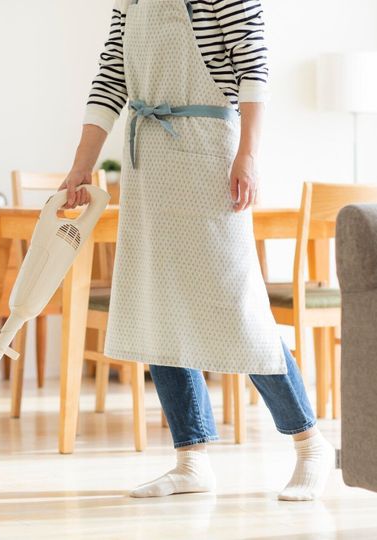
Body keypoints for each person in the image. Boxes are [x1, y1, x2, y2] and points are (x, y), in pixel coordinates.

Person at [59, 0, 334, 501]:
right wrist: (82, 165)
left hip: (211, 155)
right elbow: (111, 77)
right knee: (159, 304)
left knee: (238, 309)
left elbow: (253, 67)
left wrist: (247, 156)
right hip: (150, 161)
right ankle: (191, 459)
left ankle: (310, 445)